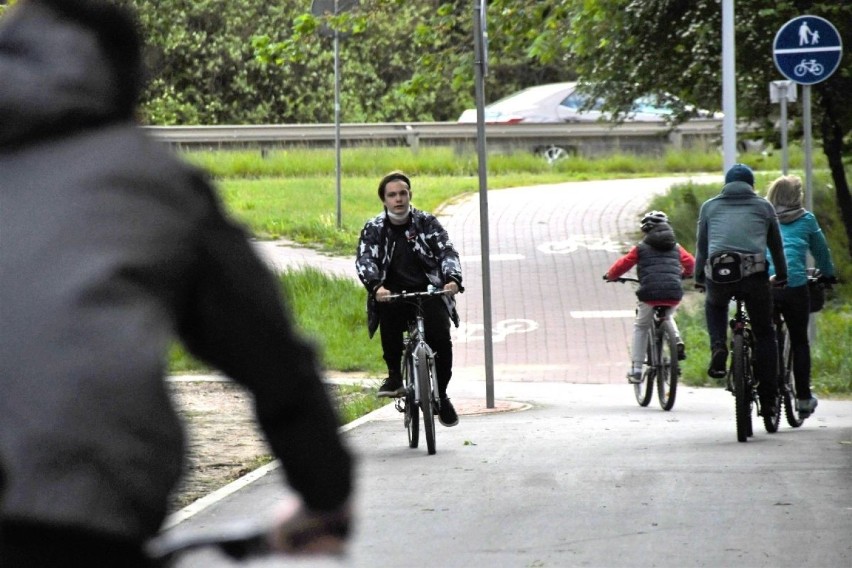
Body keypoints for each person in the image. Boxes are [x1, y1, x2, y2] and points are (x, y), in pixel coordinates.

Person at [0, 1, 353, 565]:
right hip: (75, 518)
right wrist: (325, 496)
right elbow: (269, 355)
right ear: (123, 80)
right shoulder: (148, 183)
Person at [355, 171, 463, 427]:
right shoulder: (374, 228)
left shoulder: (426, 222)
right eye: (392, 195)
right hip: (392, 294)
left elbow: (446, 250)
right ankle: (394, 376)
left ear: (410, 195)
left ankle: (442, 395)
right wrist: (376, 286)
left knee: (442, 341)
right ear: (384, 200)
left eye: (403, 193)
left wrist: (452, 280)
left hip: (429, 292)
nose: (398, 199)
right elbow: (364, 259)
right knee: (389, 322)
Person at [694, 163, 788, 416]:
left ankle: (718, 347)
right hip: (754, 276)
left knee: (715, 304)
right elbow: (776, 247)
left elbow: (702, 248)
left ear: (726, 184)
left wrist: (698, 277)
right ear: (751, 185)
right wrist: (782, 275)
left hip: (719, 274)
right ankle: (768, 399)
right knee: (764, 333)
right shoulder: (763, 206)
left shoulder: (710, 206)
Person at [765, 175, 837, 418]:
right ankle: (804, 398)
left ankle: (765, 388)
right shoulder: (806, 219)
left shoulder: (763, 216)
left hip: (766, 284)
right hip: (795, 284)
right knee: (799, 341)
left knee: (766, 336)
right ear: (797, 197)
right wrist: (828, 275)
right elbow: (821, 251)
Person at [604, 211, 696, 383]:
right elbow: (691, 263)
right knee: (667, 315)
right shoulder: (676, 246)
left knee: (641, 326)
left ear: (646, 230)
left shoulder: (641, 248)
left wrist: (611, 276)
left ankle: (636, 369)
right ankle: (675, 339)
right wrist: (685, 274)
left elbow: (623, 264)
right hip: (673, 291)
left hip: (650, 292)